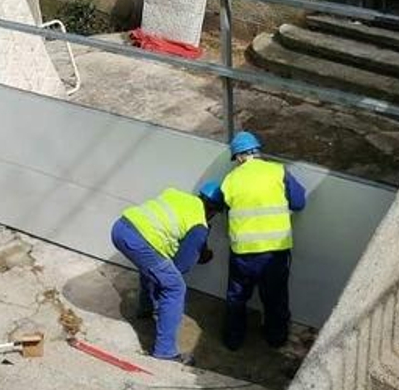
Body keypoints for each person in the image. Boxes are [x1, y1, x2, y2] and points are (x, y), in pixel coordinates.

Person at [211, 130, 307, 351]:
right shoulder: (278, 172)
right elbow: (299, 203)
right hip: (275, 253)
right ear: (257, 151)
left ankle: (233, 340)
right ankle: (276, 338)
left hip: (243, 254)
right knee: (275, 298)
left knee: (237, 298)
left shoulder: (230, 180)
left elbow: (221, 206)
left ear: (240, 157)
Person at [110, 183, 221, 364]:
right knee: (174, 286)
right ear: (214, 211)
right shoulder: (199, 226)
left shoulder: (177, 195)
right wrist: (199, 252)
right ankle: (165, 351)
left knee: (155, 267)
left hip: (120, 228)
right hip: (140, 242)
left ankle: (146, 309)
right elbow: (181, 266)